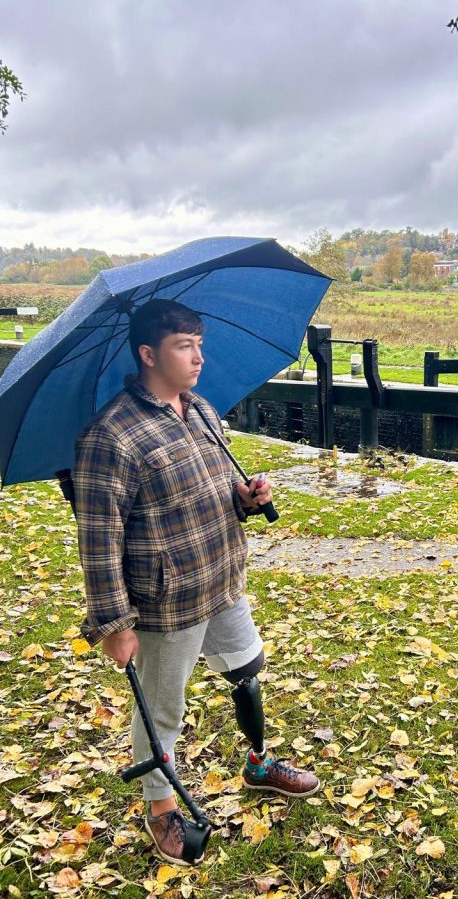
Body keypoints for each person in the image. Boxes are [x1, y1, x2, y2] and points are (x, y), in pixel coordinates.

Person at [73, 299, 319, 867]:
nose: (198, 357)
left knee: (247, 671)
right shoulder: (111, 435)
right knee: (162, 709)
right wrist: (114, 623)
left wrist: (246, 498)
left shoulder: (200, 409)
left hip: (222, 575)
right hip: (167, 599)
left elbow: (215, 485)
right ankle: (160, 808)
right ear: (148, 353)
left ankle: (258, 764)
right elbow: (98, 538)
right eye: (185, 346)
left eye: (200, 345)